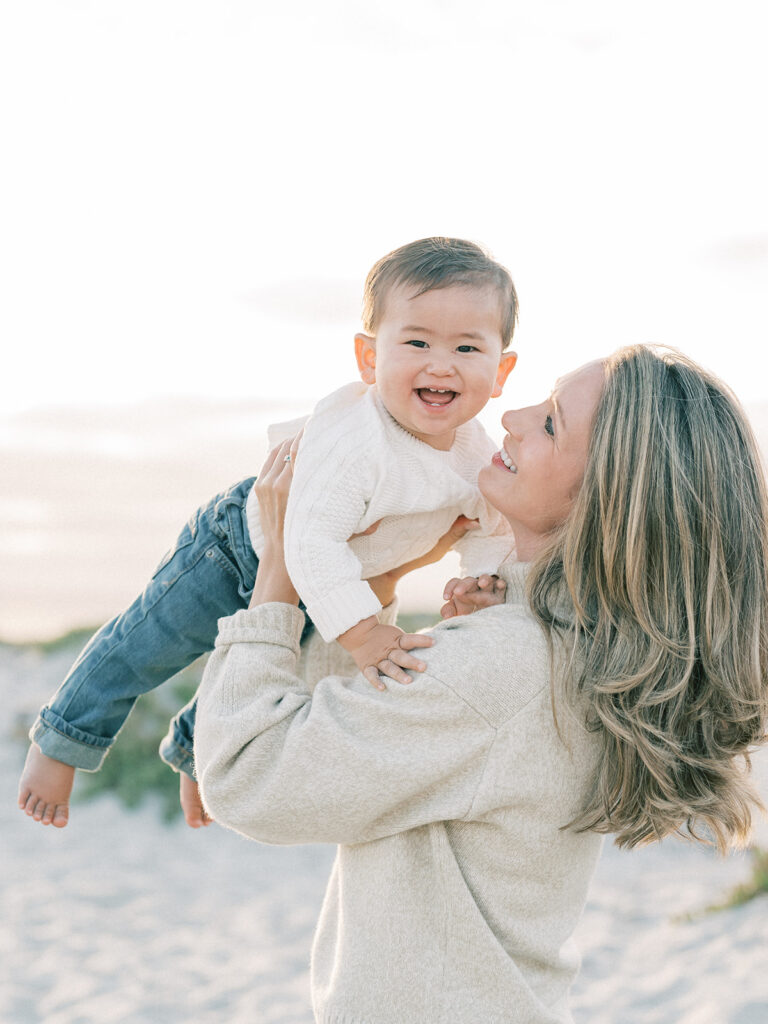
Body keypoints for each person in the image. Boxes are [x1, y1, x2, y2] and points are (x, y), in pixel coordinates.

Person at [193, 346, 768, 1023]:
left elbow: (246, 775)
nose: (514, 416)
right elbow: (344, 732)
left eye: (552, 423)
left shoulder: (508, 665)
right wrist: (379, 589)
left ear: (607, 499)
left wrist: (281, 575)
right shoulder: (569, 652)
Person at [17, 237, 519, 829]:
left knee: (266, 667)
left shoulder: (474, 453)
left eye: (467, 346)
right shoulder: (357, 441)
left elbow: (490, 522)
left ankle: (193, 754)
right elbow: (306, 543)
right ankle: (62, 741)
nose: (441, 363)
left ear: (501, 370)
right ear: (369, 358)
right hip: (239, 550)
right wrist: (361, 636)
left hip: (332, 582)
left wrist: (481, 578)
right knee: (148, 644)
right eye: (416, 342)